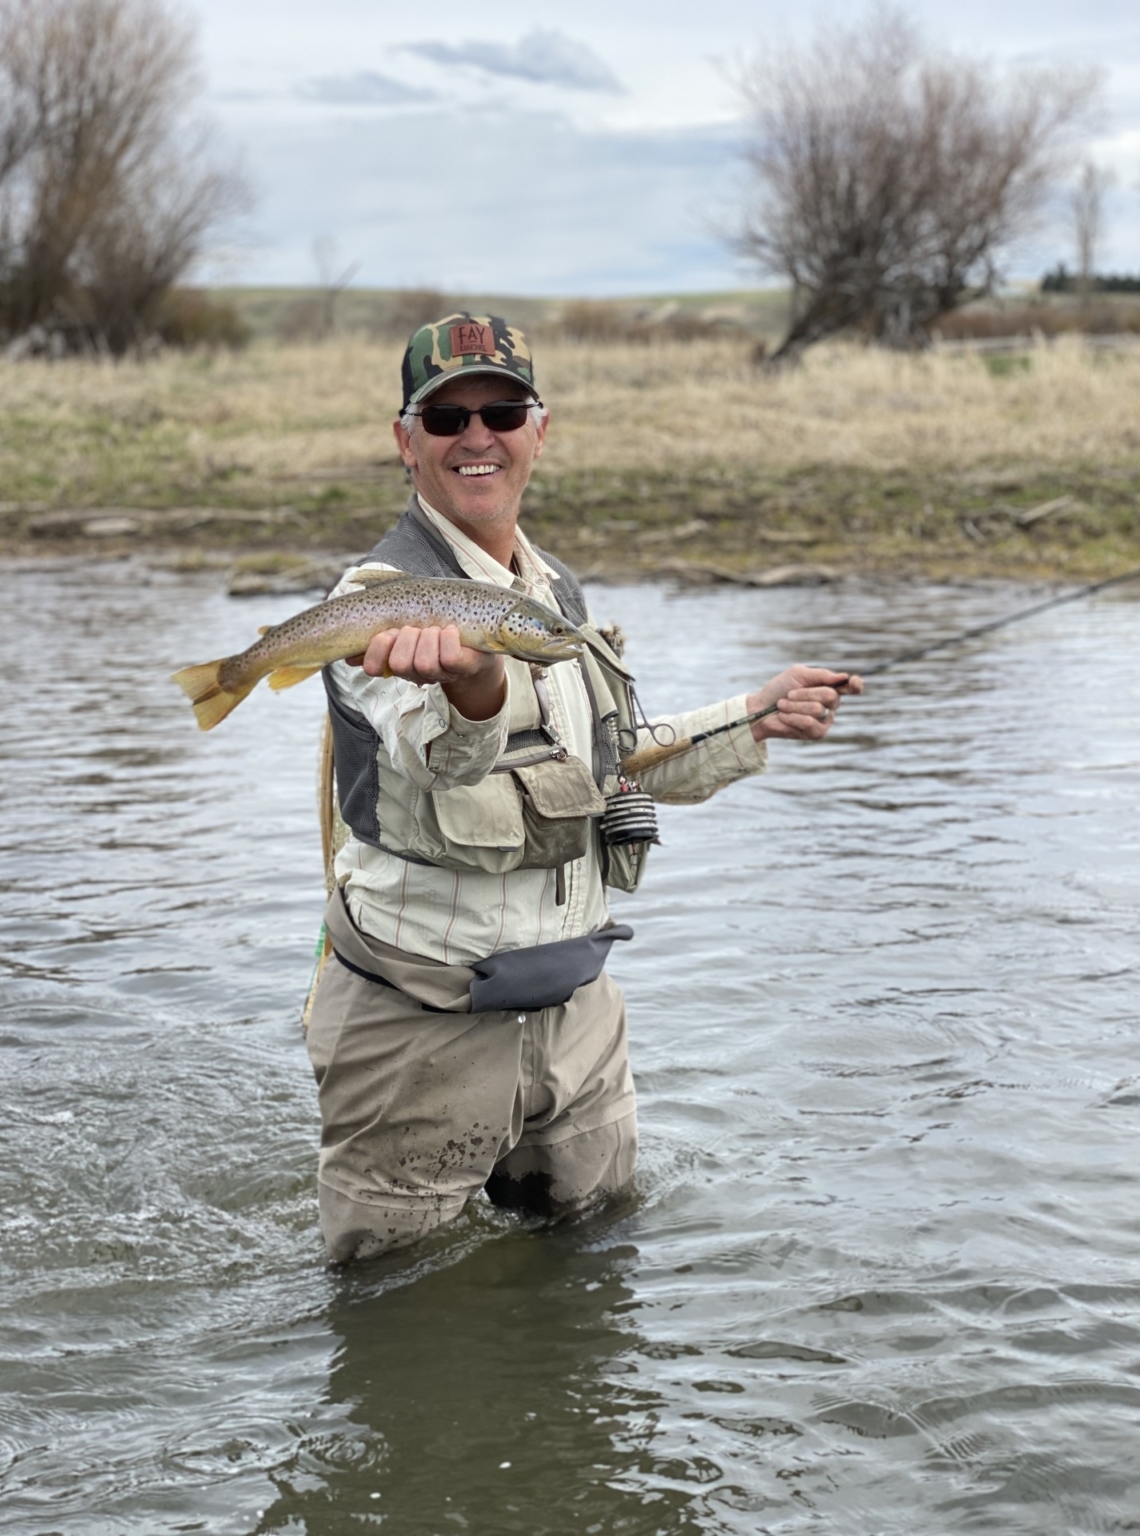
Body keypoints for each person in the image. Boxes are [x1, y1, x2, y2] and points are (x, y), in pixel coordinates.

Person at [303, 311, 861, 1264]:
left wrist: (752, 718)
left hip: (577, 1015)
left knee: (597, 1273)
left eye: (502, 413)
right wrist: (475, 687)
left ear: (540, 430)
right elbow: (439, 761)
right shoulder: (370, 603)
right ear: (406, 442)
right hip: (418, 1027)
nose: (477, 437)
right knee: (397, 1301)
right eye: (446, 419)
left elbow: (606, 761)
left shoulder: (554, 591)